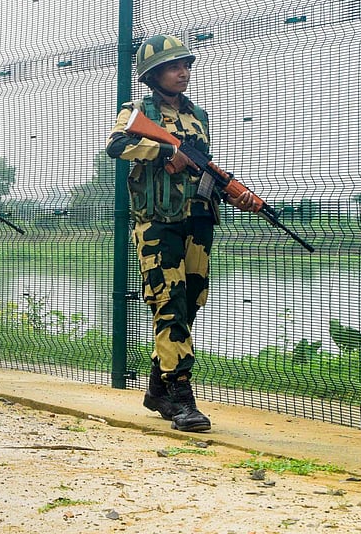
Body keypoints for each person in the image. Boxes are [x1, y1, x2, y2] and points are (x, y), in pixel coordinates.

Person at [106, 34, 255, 433]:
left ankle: (157, 388)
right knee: (168, 303)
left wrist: (232, 191)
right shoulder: (137, 110)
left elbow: (202, 165)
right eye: (175, 66)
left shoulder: (197, 115)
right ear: (153, 74)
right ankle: (182, 397)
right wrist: (167, 153)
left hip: (198, 220)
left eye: (186, 65)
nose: (183, 72)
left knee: (190, 302)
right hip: (158, 223)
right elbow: (117, 145)